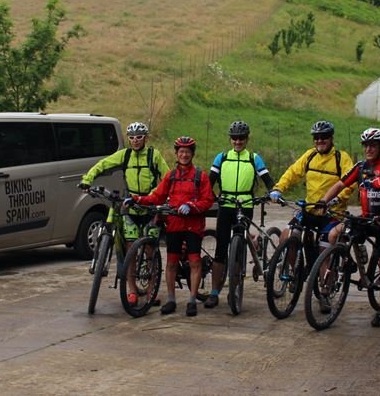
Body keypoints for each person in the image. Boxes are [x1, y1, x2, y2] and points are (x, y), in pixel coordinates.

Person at [269, 120, 355, 314]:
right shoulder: (310, 156)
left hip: (332, 213)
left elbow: (350, 184)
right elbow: (293, 172)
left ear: (331, 138)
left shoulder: (342, 158)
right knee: (287, 235)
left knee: (326, 252)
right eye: (316, 137)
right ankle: (296, 273)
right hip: (309, 210)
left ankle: (324, 293)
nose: (320, 140)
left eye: (324, 137)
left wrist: (335, 200)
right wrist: (278, 189)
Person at [80, 121, 170, 304]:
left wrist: (161, 196)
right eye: (131, 138)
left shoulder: (154, 155)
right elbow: (103, 164)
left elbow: (167, 177)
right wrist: (87, 180)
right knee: (130, 250)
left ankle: (152, 292)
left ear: (145, 138)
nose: (135, 141)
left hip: (150, 207)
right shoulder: (125, 155)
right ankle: (132, 291)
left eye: (139, 137)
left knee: (151, 252)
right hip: (130, 207)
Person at [320, 127, 380, 327]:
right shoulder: (360, 167)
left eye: (373, 145)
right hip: (366, 219)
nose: (368, 149)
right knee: (333, 234)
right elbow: (340, 185)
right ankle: (347, 261)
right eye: (366, 145)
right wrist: (323, 201)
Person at [127, 136, 215, 316]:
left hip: (193, 225)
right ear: (176, 154)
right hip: (174, 224)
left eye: (187, 152)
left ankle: (191, 301)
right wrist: (137, 199)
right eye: (181, 152)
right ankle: (172, 300)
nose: (184, 155)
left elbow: (208, 200)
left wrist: (191, 206)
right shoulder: (171, 175)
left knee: (194, 262)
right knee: (172, 263)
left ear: (192, 154)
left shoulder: (201, 176)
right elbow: (157, 196)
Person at [204, 120, 275, 309]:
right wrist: (208, 196)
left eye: (241, 138)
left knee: (238, 245)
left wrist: (273, 191)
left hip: (245, 205)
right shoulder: (222, 157)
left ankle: (234, 288)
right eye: (234, 138)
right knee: (220, 249)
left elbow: (267, 179)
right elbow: (209, 181)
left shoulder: (253, 158)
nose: (238, 141)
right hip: (226, 204)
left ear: (247, 139)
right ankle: (214, 292)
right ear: (230, 139)